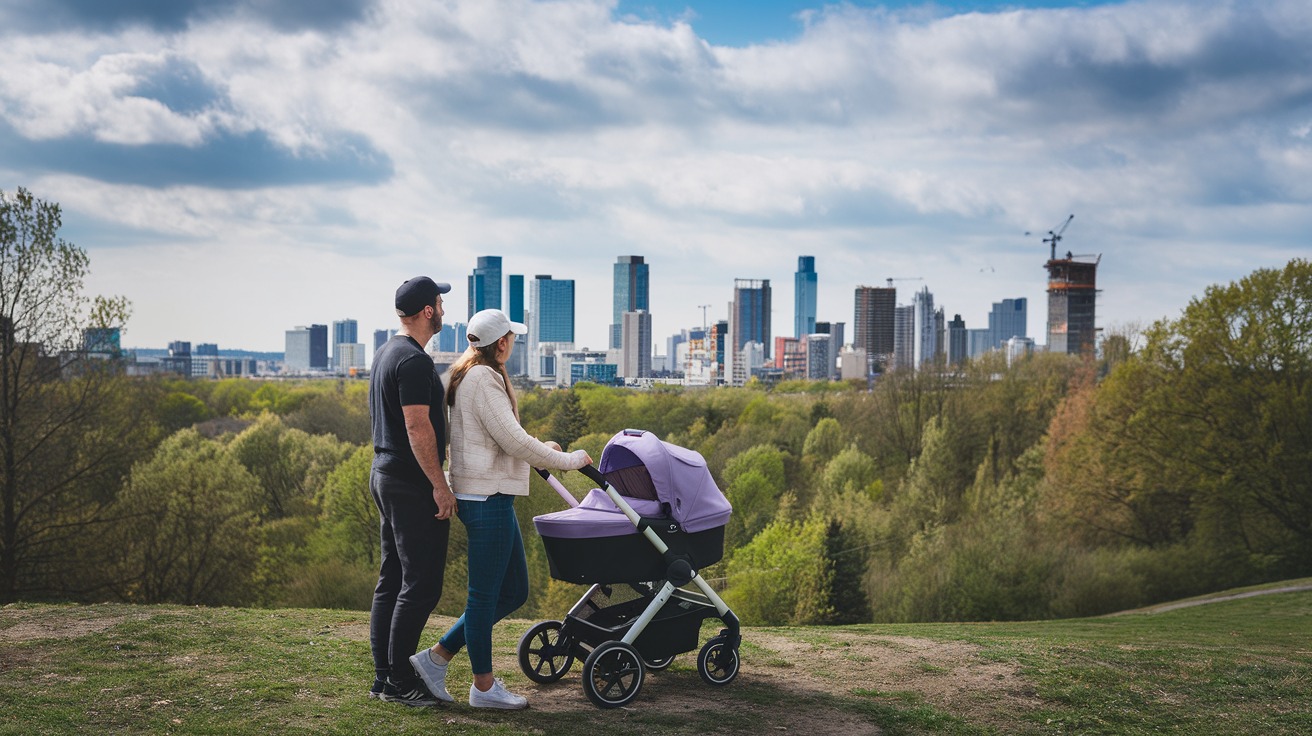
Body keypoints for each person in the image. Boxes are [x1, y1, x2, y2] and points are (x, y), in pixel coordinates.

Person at [409, 308, 592, 710]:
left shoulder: (469, 374)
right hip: (485, 499)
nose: (514, 344)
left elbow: (505, 437)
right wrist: (570, 460)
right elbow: (513, 441)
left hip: (492, 495)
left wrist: (545, 449)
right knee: (483, 597)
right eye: (513, 338)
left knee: (513, 591)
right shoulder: (482, 380)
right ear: (503, 343)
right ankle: (484, 687)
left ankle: (436, 658)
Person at [367, 276, 459, 708]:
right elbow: (417, 427)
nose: (443, 308)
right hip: (409, 483)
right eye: (439, 302)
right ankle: (401, 680)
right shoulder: (416, 361)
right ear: (427, 310)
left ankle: (385, 678)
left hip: (384, 474)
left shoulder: (387, 352)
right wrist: (439, 487)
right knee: (421, 584)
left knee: (394, 579)